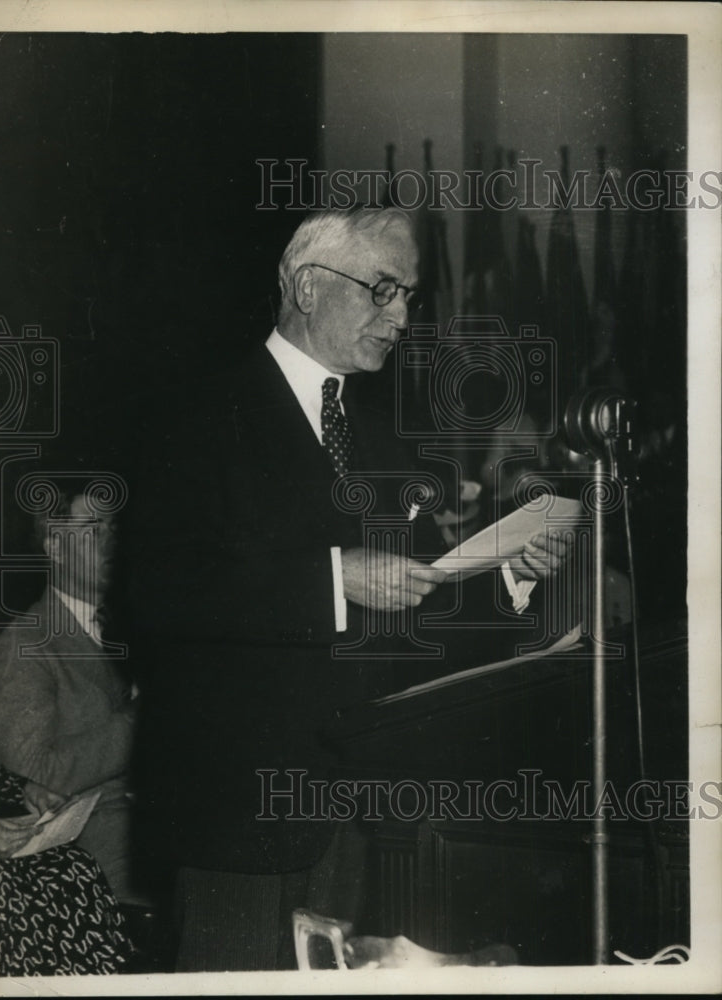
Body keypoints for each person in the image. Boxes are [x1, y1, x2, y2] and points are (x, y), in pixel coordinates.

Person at [128, 208, 569, 971]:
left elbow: (425, 596)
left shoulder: (382, 439)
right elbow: (154, 592)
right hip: (239, 812)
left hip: (365, 816)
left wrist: (509, 576)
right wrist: (334, 577)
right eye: (383, 290)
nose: (400, 317)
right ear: (307, 284)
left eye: (407, 296)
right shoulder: (195, 415)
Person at [0, 483, 141, 907]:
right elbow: (35, 775)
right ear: (55, 547)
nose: (112, 541)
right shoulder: (27, 642)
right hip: (93, 855)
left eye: (115, 527)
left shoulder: (129, 624)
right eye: (94, 529)